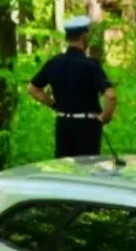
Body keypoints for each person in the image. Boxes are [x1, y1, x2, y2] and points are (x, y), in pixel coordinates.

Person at [27, 15, 117, 158]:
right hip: (88, 126)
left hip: (63, 124)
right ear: (84, 36)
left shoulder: (54, 63)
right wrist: (105, 117)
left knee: (63, 167)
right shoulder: (91, 65)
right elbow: (110, 95)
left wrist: (54, 104)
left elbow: (33, 89)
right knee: (87, 167)